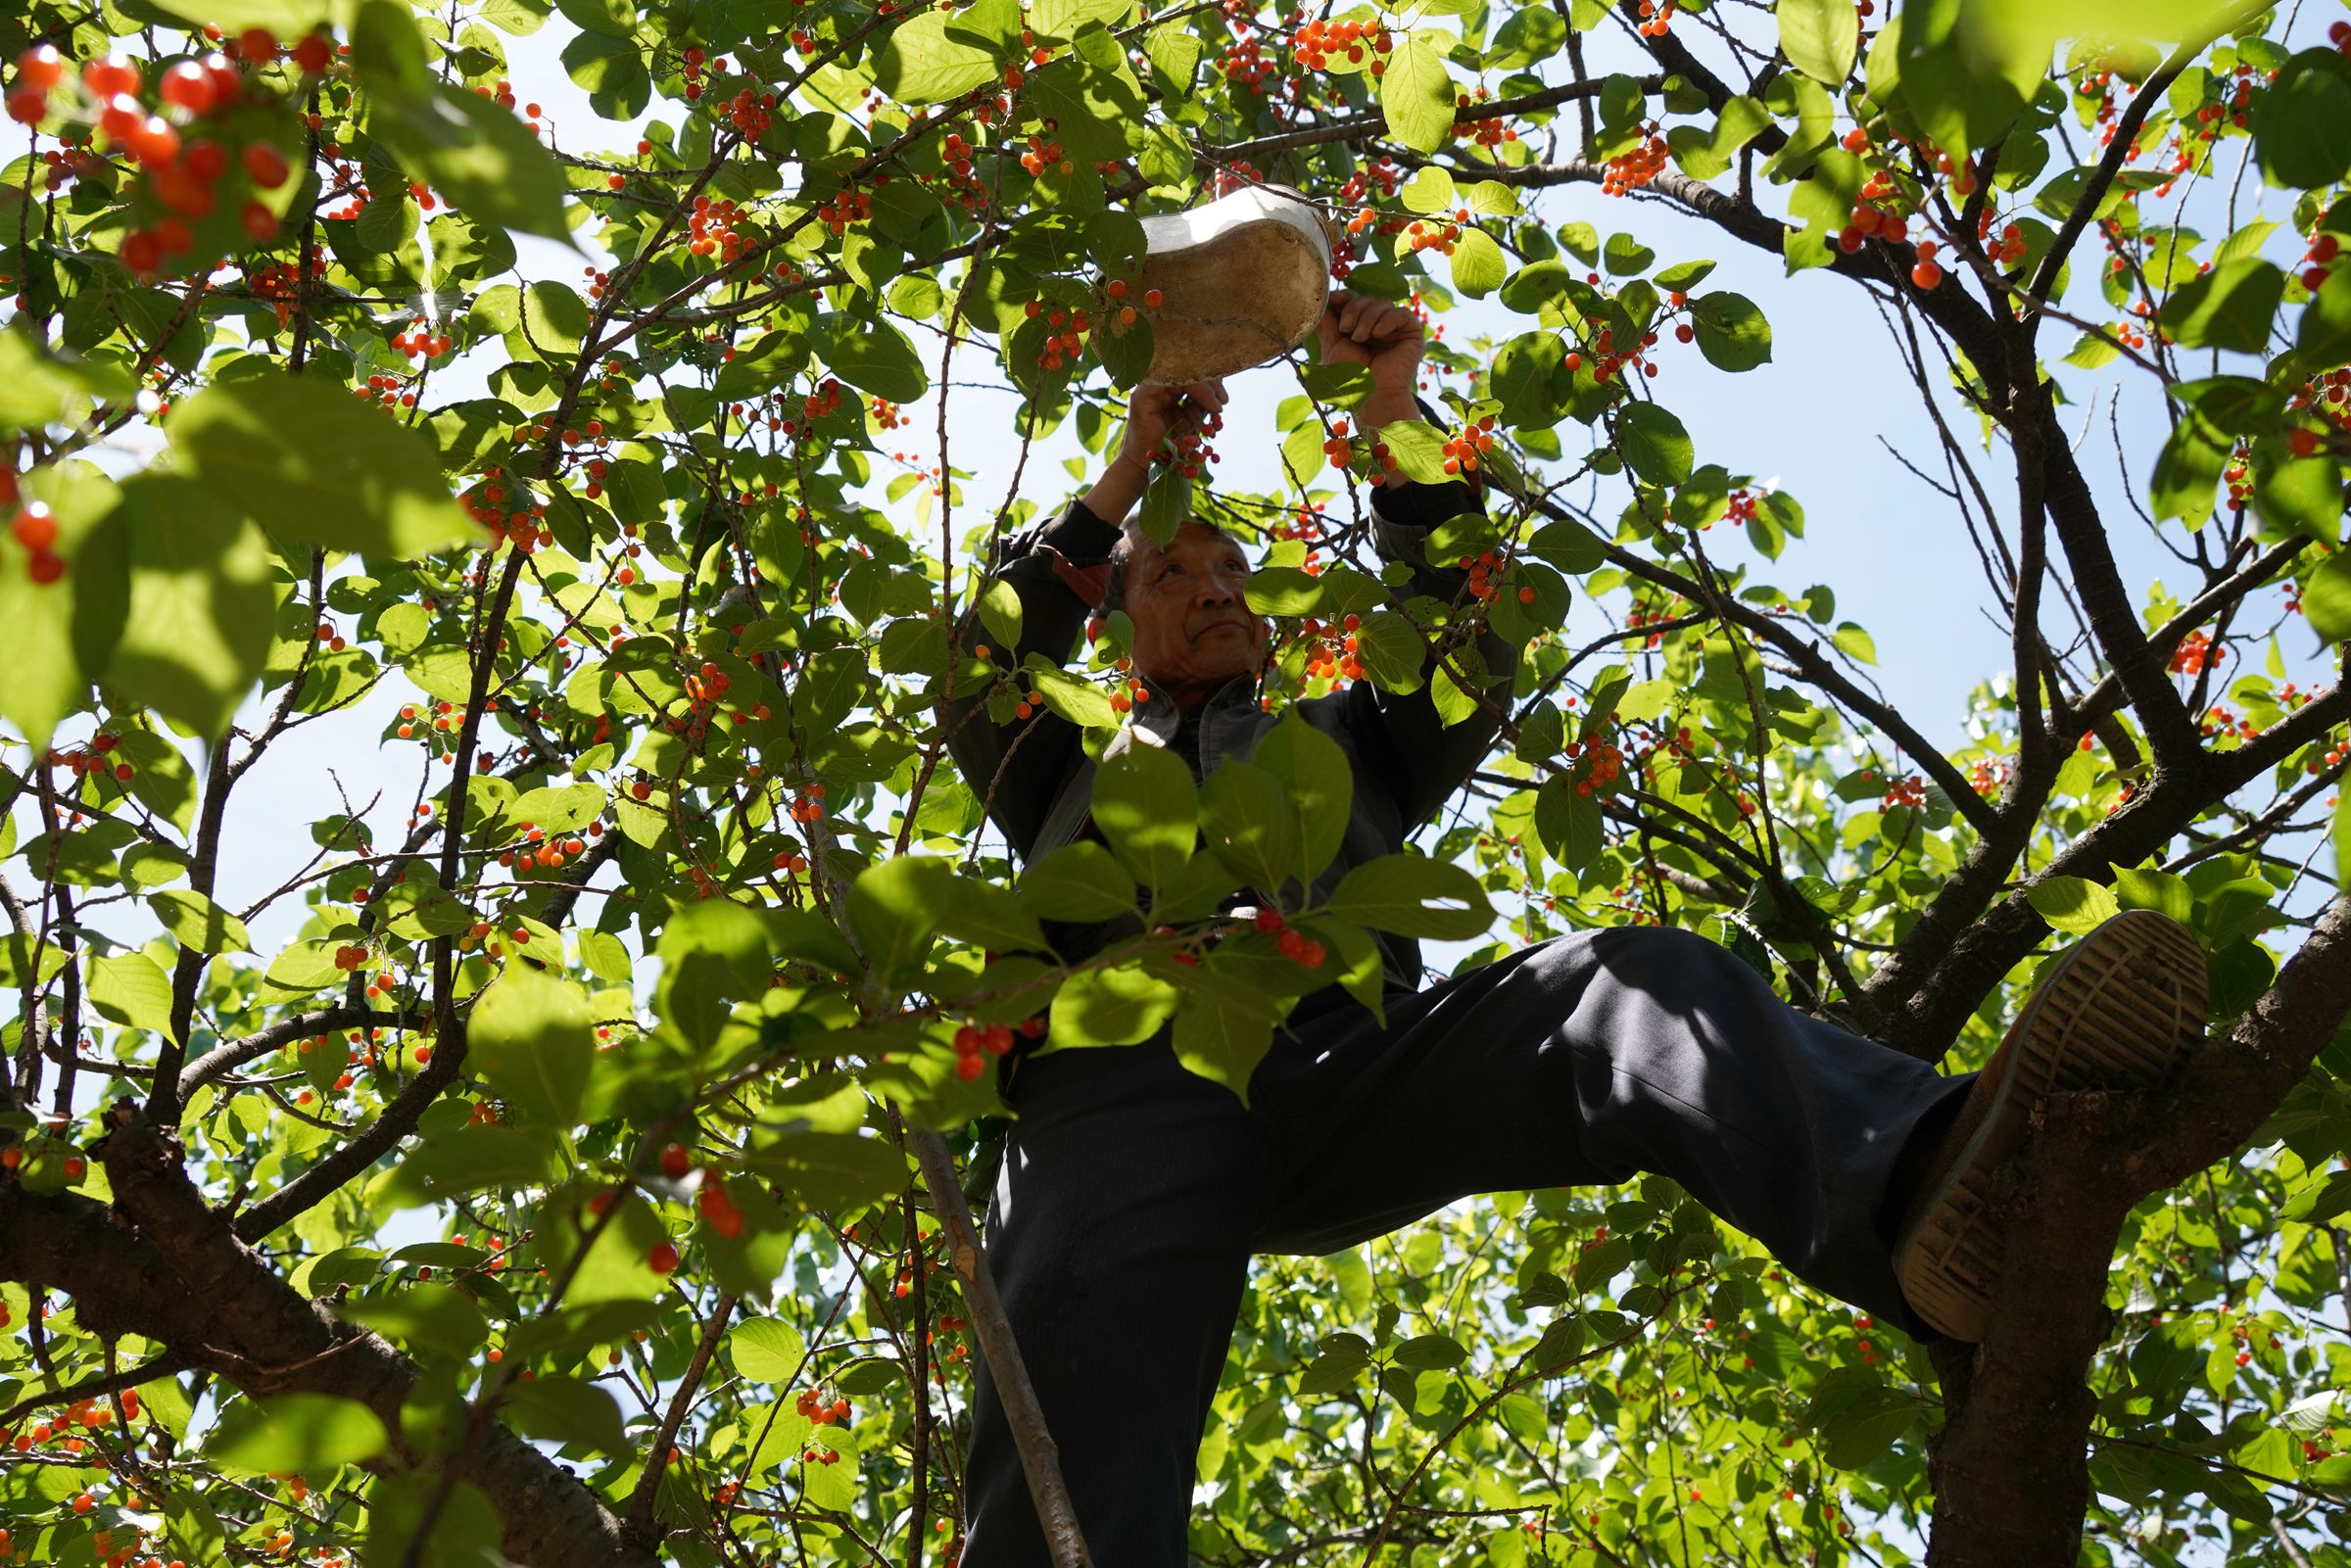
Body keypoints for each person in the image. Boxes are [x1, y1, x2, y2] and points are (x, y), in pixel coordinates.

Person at [937, 290, 2209, 1566]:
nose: (1216, 586)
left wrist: (1392, 411)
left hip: (1351, 1053)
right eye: (1176, 571)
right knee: (1081, 1408)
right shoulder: (1062, 764)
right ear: (1116, 623)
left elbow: (1470, 644)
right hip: (1122, 1069)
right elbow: (977, 673)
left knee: (1632, 980)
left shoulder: (1338, 746)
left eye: (1232, 568)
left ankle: (1920, 1188)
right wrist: (1127, 476)